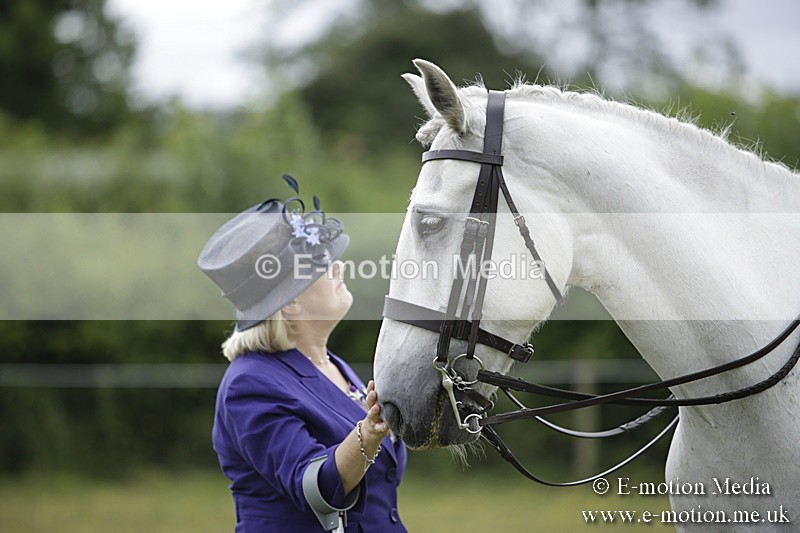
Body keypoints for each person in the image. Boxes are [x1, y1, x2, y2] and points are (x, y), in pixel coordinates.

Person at [197, 175, 407, 532]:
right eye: (323, 264)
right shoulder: (249, 383)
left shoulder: (330, 363)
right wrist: (369, 434)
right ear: (291, 301)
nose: (339, 267)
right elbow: (316, 488)